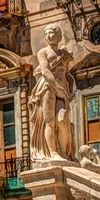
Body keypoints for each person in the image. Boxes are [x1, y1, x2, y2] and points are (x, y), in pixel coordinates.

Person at [28, 23, 76, 163]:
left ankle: (64, 153)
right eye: (47, 33)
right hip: (47, 87)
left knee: (62, 120)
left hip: (62, 89)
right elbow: (45, 71)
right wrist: (57, 88)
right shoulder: (43, 52)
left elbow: (67, 75)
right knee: (50, 120)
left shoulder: (64, 55)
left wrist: (69, 89)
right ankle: (54, 152)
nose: (49, 36)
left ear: (59, 35)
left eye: (52, 33)